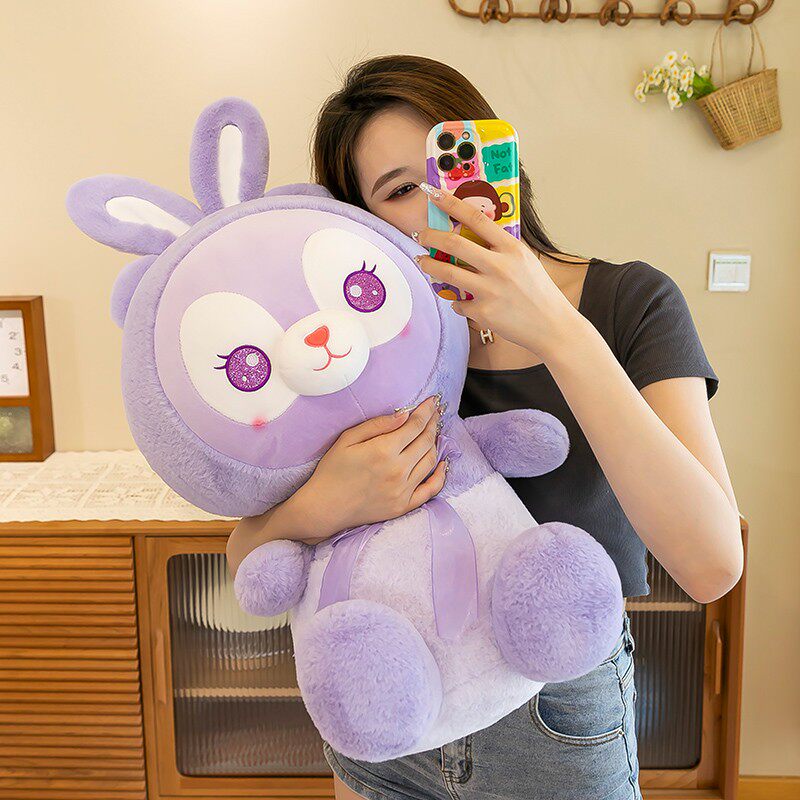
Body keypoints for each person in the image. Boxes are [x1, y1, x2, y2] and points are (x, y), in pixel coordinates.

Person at [226, 55, 743, 800]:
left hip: (558, 720)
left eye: (449, 164)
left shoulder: (632, 302)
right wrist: (324, 503)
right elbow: (244, 554)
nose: (445, 200)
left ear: (502, 161)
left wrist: (558, 331)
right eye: (400, 191)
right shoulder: (358, 351)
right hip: (390, 716)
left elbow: (711, 565)